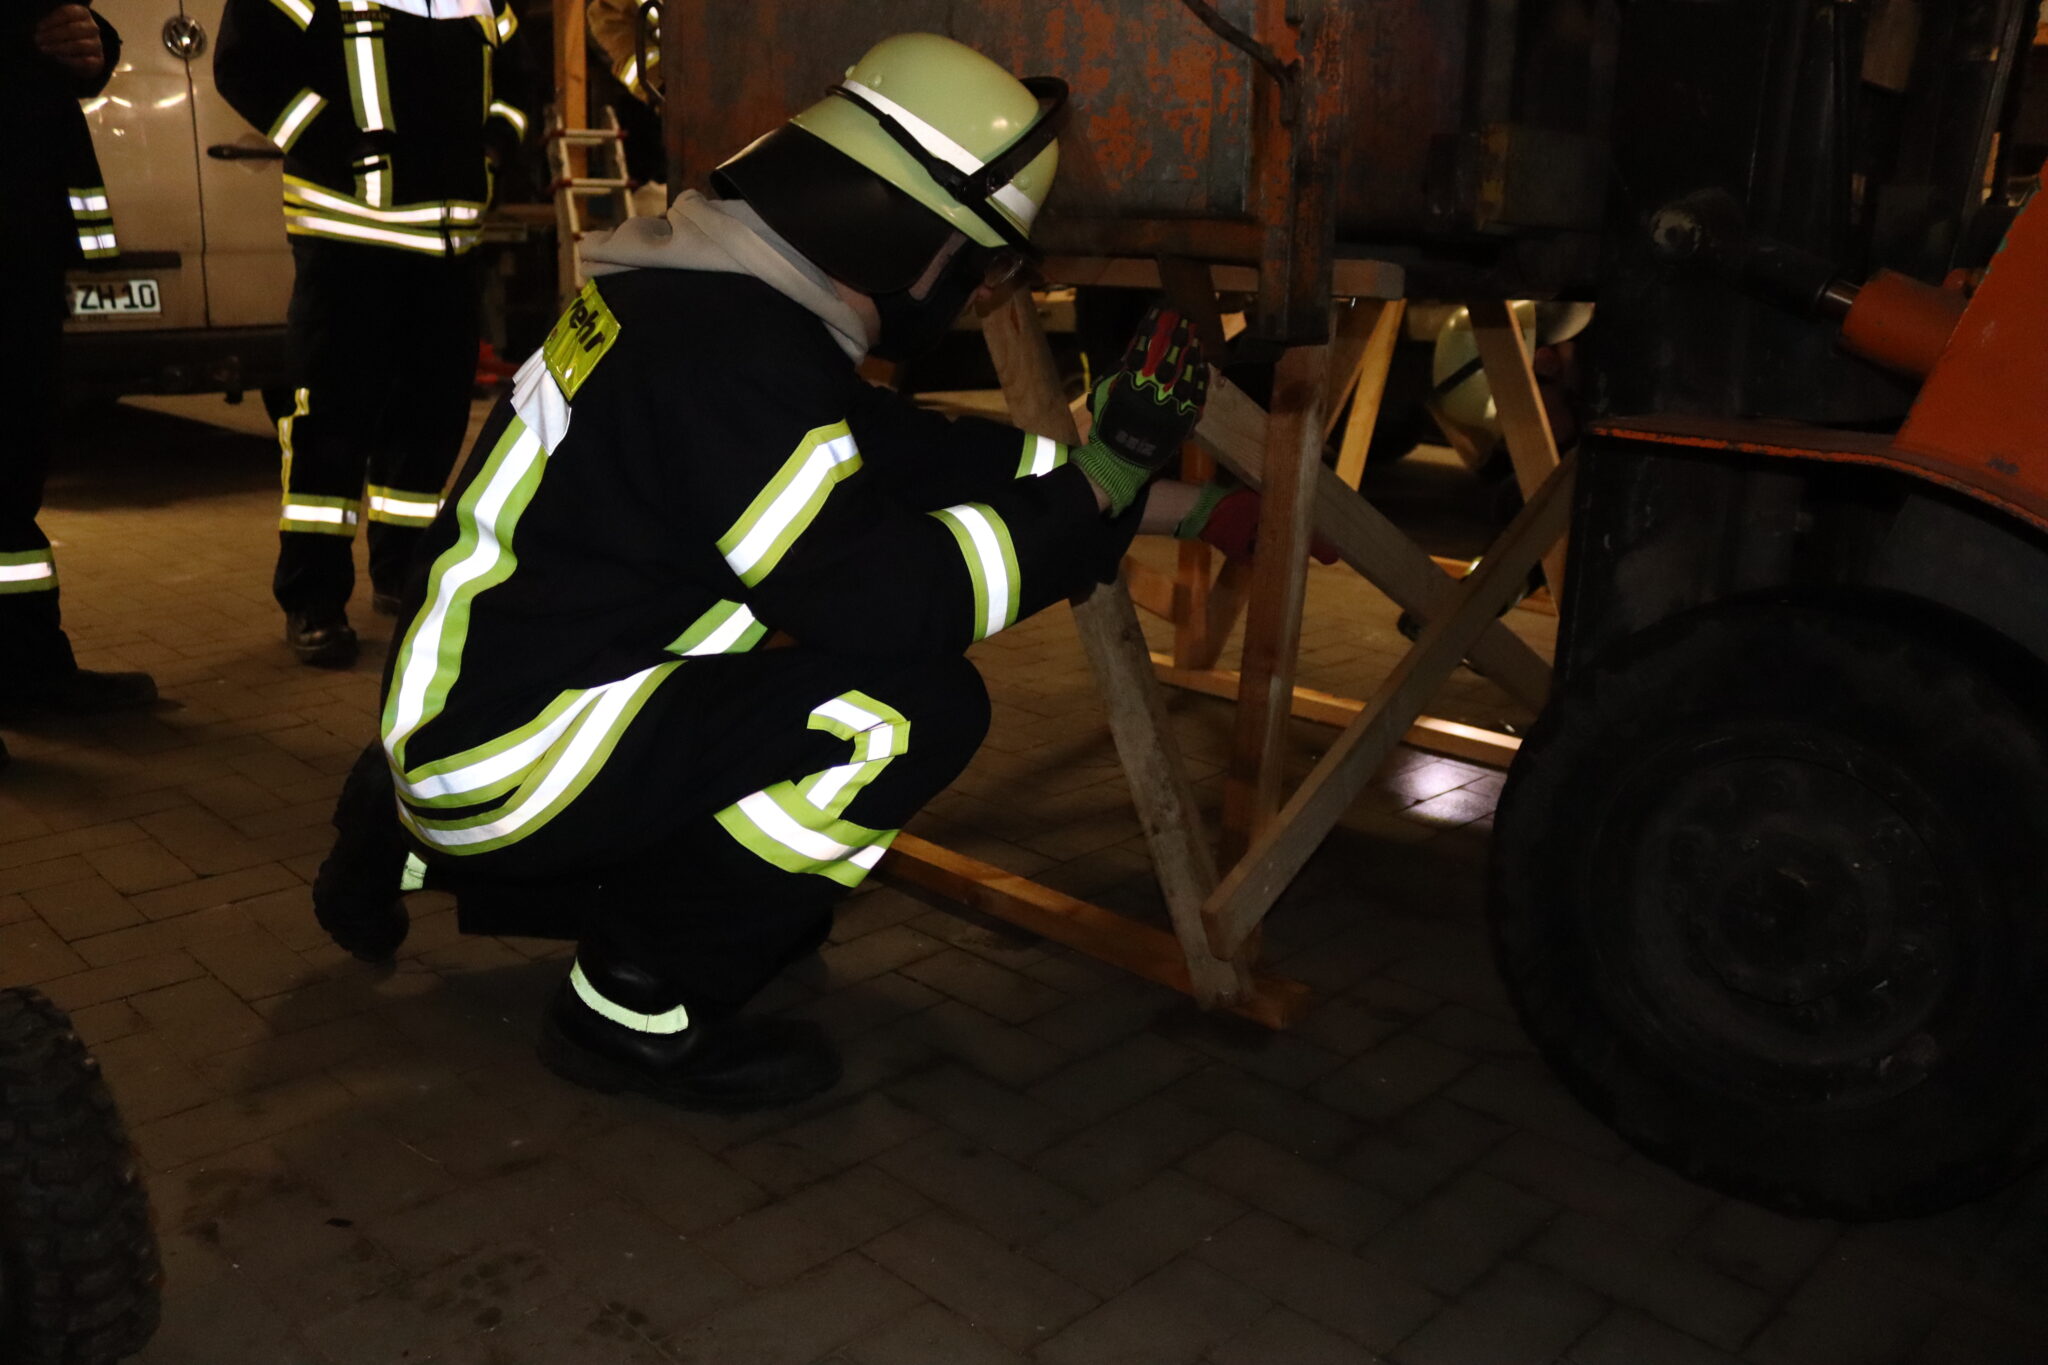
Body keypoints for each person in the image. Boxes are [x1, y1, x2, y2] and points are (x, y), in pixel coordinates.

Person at [310, 32, 1260, 1110]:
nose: (981, 294)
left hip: (483, 713)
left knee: (768, 887)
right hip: (516, 750)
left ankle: (399, 829)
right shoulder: (735, 357)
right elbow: (896, 601)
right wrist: (1104, 478)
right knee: (902, 716)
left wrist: (1185, 506)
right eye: (984, 266)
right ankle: (630, 1004)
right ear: (915, 239)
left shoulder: (697, 300)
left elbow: (919, 457)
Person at [213, 0, 536, 668]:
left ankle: (405, 572)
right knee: (331, 420)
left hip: (449, 243)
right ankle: (313, 598)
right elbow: (244, 64)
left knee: (430, 420)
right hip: (345, 237)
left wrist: (493, 147)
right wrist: (335, 143)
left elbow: (519, 79)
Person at [0, 0, 159, 771]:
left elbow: (53, 18)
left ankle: (26, 668)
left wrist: (95, 42)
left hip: (22, 240)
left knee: (11, 481)